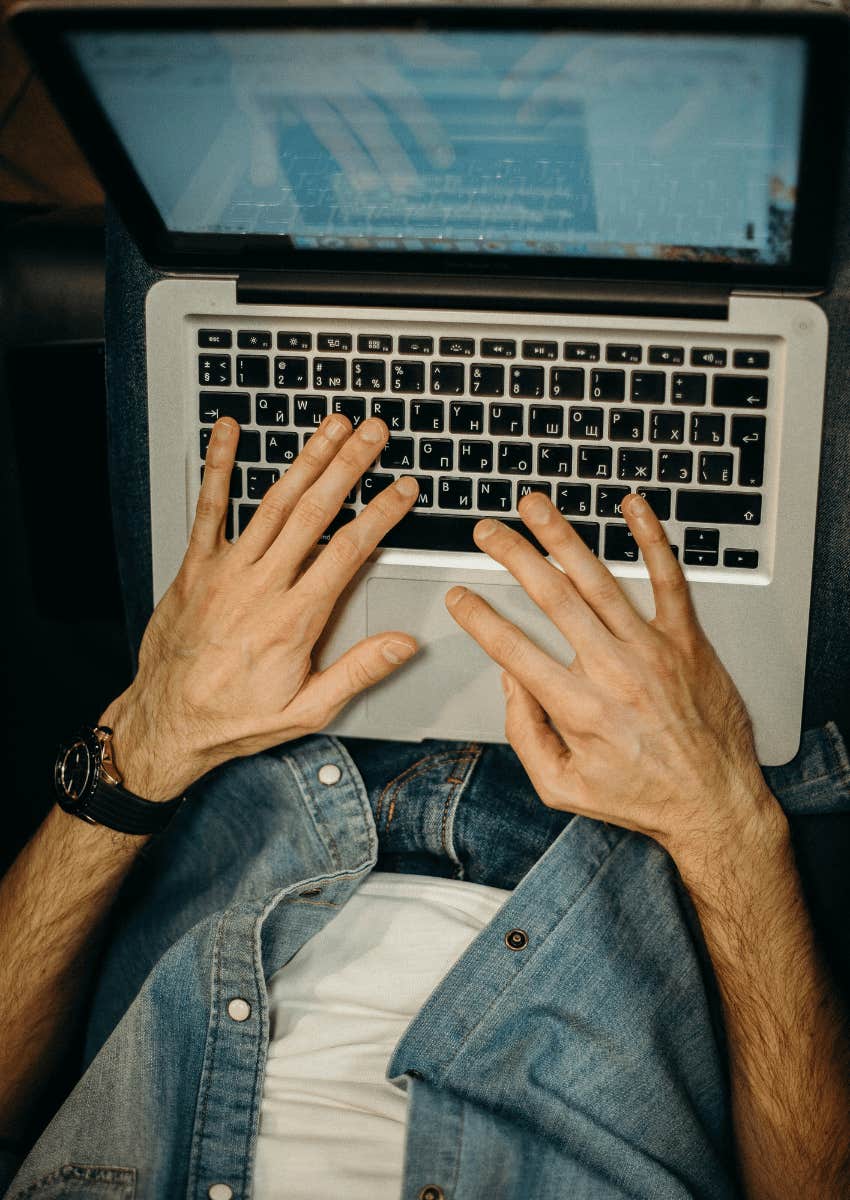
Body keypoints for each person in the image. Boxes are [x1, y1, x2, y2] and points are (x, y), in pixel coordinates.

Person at [0, 407, 848, 1200]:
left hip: (225, 748)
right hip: (653, 815)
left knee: (221, 318)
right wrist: (727, 827)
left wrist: (144, 746)